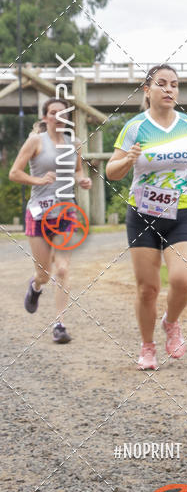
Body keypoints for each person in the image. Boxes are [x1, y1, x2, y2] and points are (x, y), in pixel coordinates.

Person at [106, 64, 187, 370]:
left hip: (181, 212)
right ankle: (147, 346)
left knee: (183, 280)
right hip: (142, 215)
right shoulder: (135, 127)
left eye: (174, 84)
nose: (169, 89)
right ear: (147, 90)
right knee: (147, 289)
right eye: (161, 83)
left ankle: (171, 322)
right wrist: (128, 159)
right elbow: (111, 171)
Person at [9, 98, 92, 343]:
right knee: (44, 274)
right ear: (45, 117)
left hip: (65, 212)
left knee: (63, 268)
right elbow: (14, 173)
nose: (58, 116)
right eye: (53, 112)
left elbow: (77, 170)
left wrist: (82, 180)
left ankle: (59, 324)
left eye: (63, 113)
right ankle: (35, 286)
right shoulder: (35, 141)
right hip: (38, 213)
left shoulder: (74, 143)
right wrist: (38, 180)